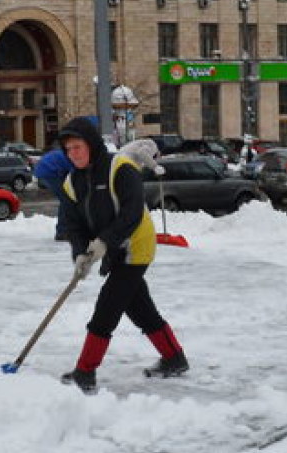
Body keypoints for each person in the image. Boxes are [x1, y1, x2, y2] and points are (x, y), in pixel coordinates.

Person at [55, 116, 188, 394]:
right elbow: (72, 224)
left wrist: (105, 241)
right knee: (140, 308)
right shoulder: (71, 182)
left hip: (136, 246)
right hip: (112, 248)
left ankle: (85, 371)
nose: (73, 154)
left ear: (91, 145)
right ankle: (174, 358)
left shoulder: (120, 168)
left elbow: (131, 213)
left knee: (108, 307)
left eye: (77, 147)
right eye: (68, 149)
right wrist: (80, 254)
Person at [32, 144, 72, 240]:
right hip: (48, 173)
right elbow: (75, 174)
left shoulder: (67, 153)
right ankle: (62, 232)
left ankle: (64, 230)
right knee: (66, 200)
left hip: (44, 171)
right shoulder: (73, 157)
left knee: (67, 199)